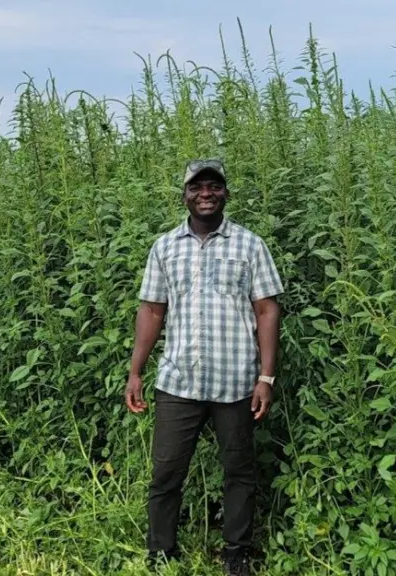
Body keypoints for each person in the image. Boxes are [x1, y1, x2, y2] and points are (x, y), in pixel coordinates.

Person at [125, 159, 284, 575]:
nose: (206, 194)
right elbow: (152, 311)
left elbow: (267, 310)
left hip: (236, 383)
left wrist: (266, 376)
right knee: (165, 473)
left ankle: (236, 554)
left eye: (214, 186)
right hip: (178, 382)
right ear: (185, 195)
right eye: (197, 188)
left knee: (239, 473)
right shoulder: (165, 247)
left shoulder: (250, 245)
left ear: (226, 193)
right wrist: (136, 371)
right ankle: (160, 554)